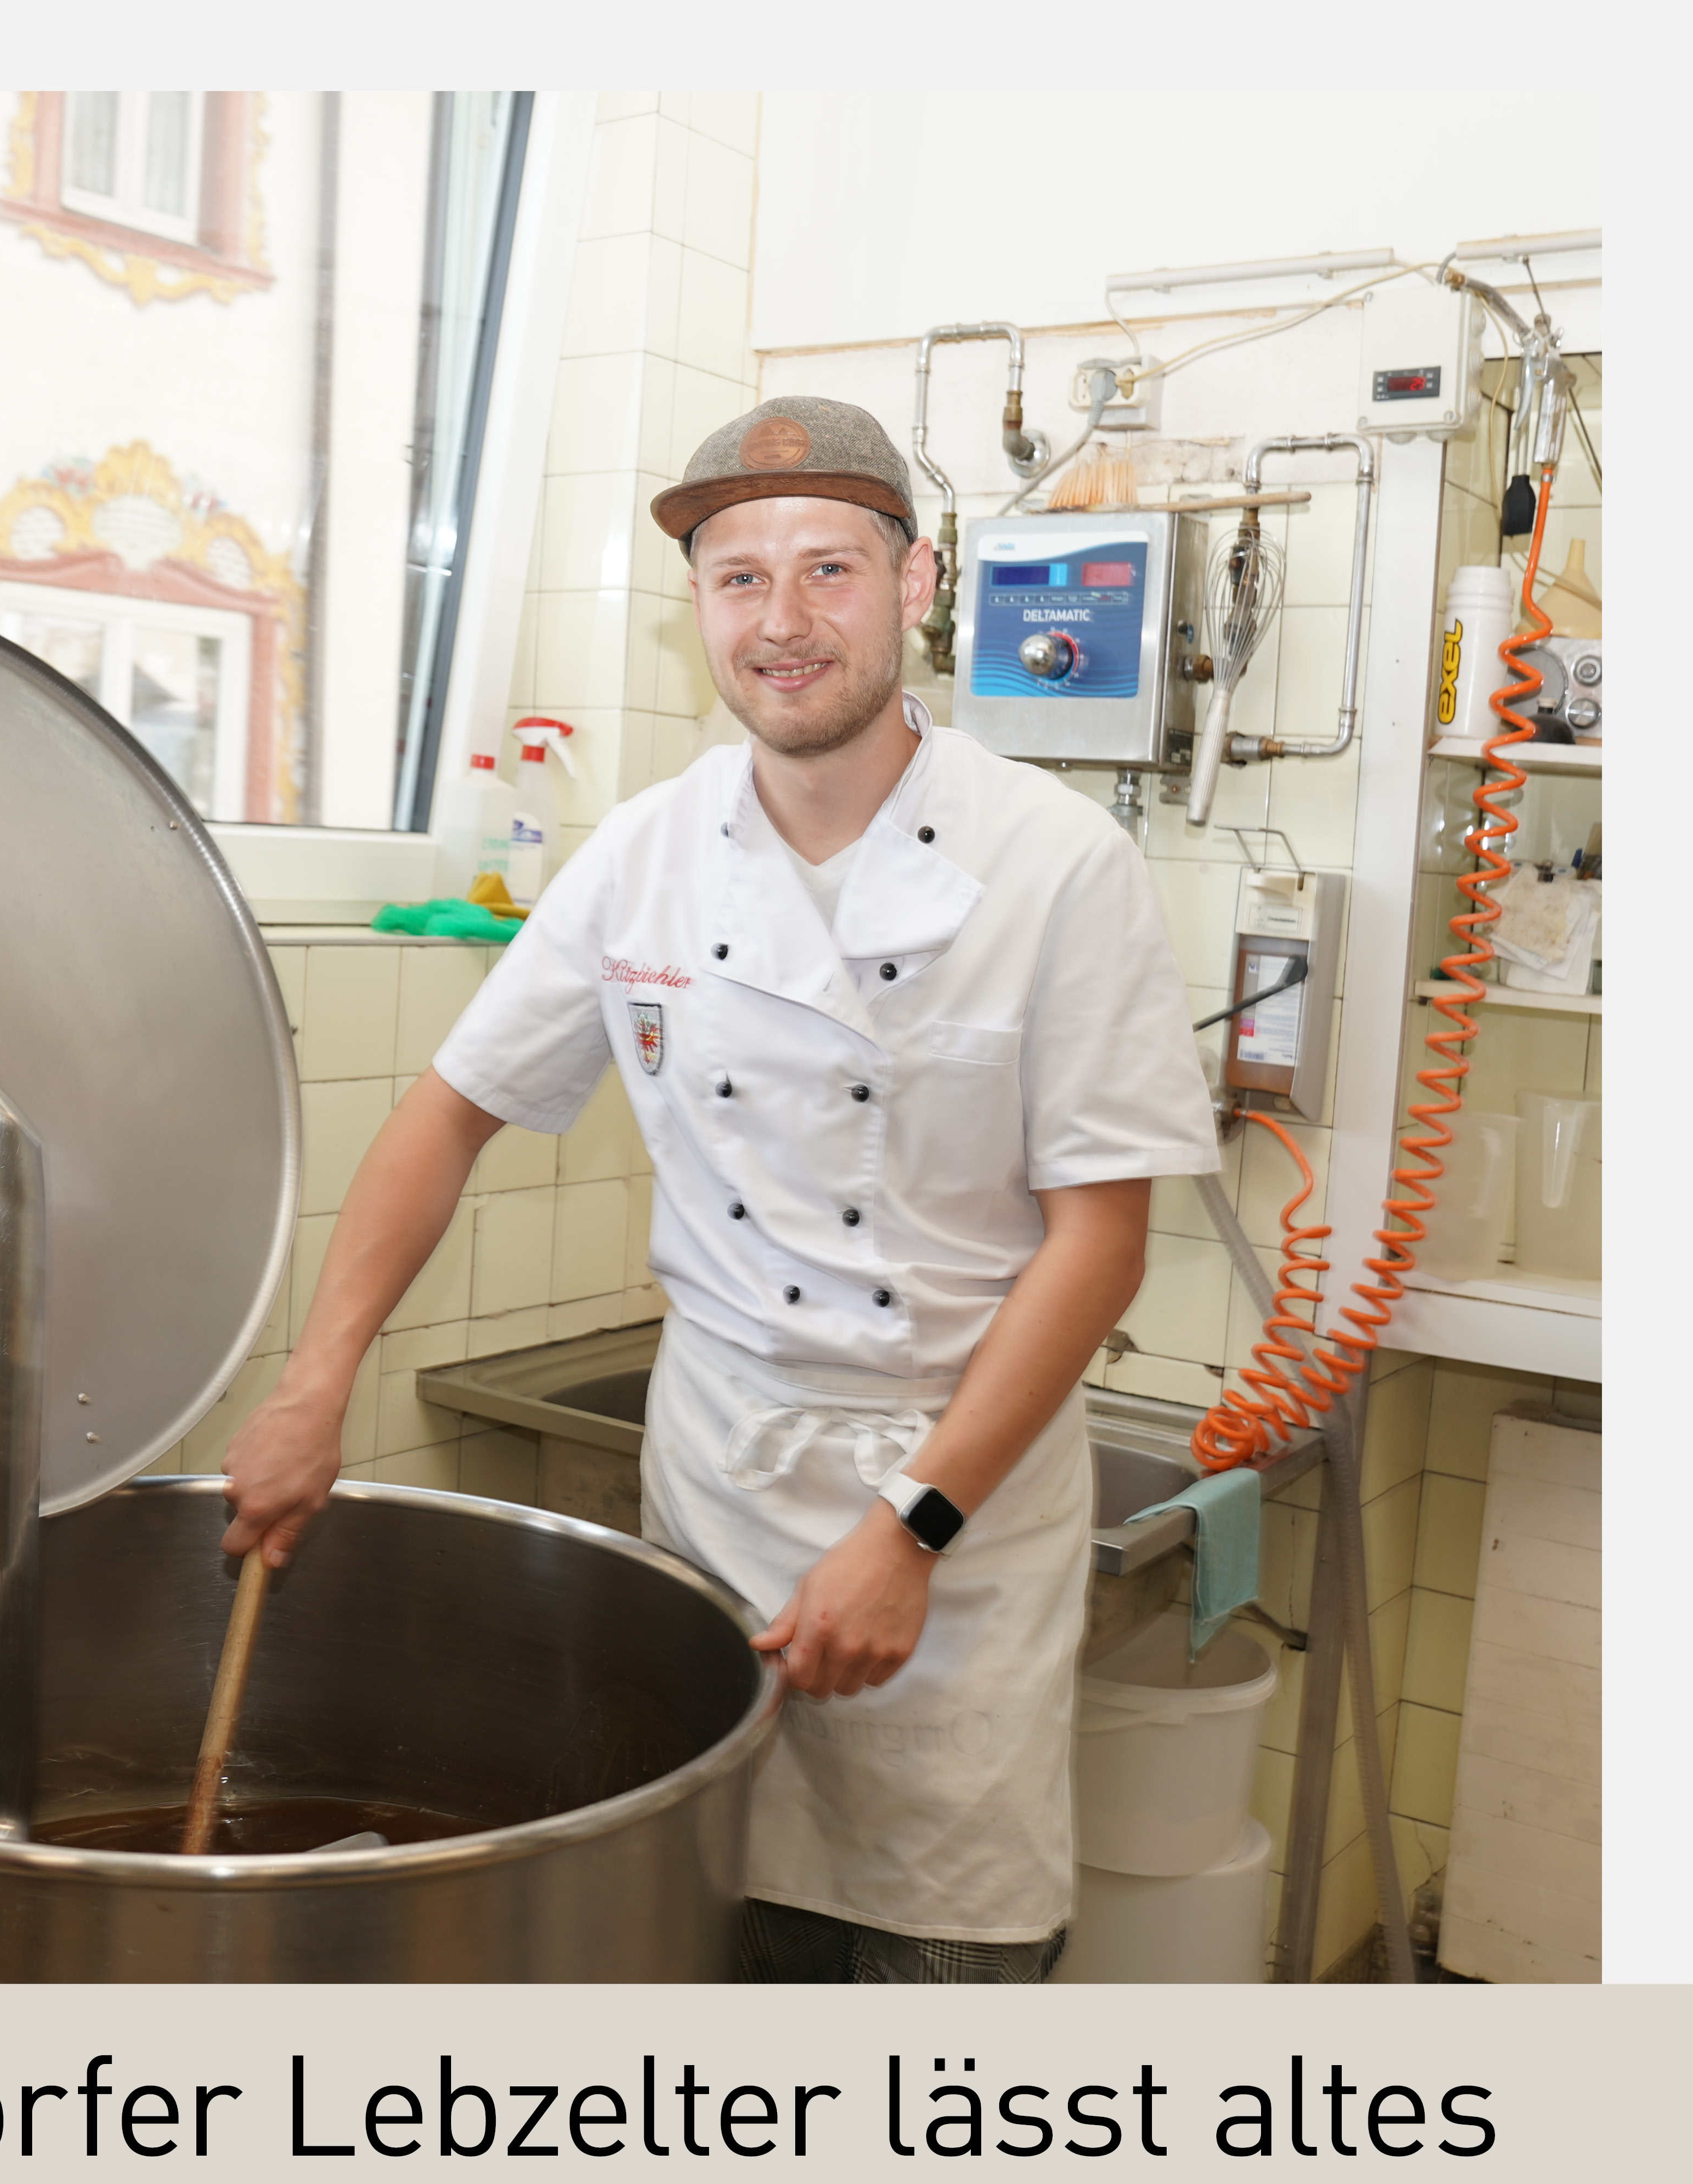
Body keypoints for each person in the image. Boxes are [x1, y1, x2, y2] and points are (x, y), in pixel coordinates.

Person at [221, 396, 1218, 1982]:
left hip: (947, 1504)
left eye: (829, 567)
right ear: (698, 611)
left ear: (917, 582)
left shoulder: (1052, 864)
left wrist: (910, 1529)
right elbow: (445, 1115)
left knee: (932, 1967)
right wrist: (315, 1376)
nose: (784, 620)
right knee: (695, 1933)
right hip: (720, 1484)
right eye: (739, 578)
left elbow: (1098, 1246)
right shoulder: (643, 851)